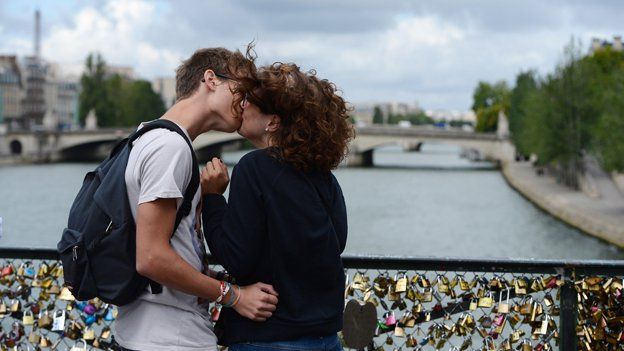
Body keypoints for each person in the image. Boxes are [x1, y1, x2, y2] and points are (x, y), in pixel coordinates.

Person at [114, 47, 279, 351]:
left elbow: (170, 248)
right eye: (241, 92)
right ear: (211, 80)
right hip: (171, 338)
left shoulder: (146, 136)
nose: (244, 104)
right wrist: (234, 296)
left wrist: (215, 277)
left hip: (145, 330)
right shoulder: (171, 148)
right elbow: (151, 258)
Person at [201, 62, 355, 350]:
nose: (241, 106)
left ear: (273, 121)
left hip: (269, 336)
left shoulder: (254, 167)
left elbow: (236, 256)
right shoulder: (323, 176)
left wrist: (212, 198)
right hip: (325, 337)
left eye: (248, 101)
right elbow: (337, 243)